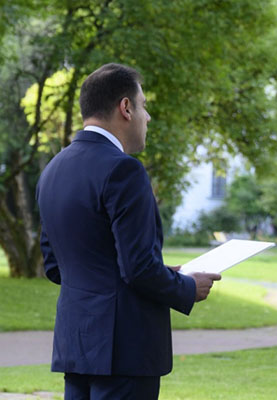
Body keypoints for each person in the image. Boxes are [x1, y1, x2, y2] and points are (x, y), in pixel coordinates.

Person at [36, 63, 221, 400]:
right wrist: (186, 286)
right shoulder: (124, 170)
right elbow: (137, 269)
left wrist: (160, 273)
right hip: (125, 352)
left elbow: (56, 266)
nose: (147, 117)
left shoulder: (53, 170)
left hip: (76, 346)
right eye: (144, 105)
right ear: (126, 107)